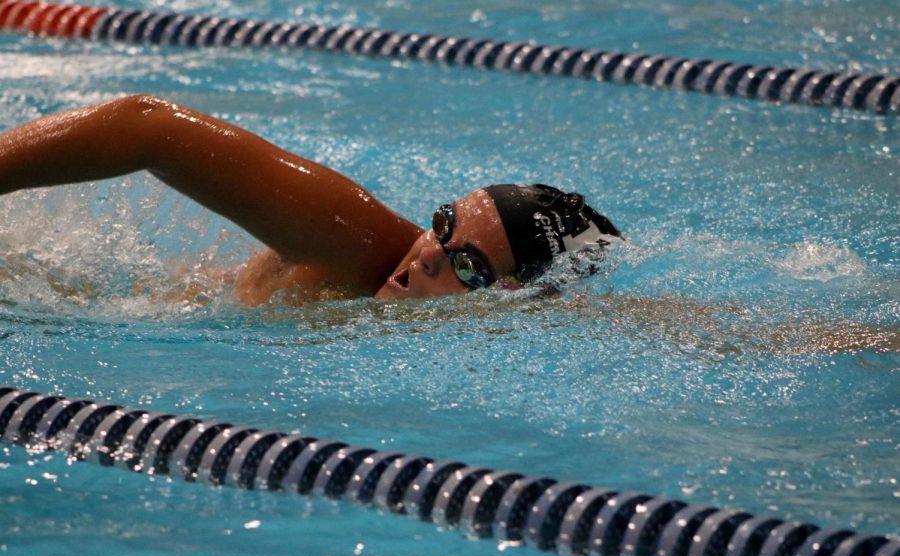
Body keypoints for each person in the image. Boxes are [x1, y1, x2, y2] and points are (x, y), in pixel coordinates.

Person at [0, 95, 620, 306]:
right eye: (443, 224)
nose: (427, 255)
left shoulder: (523, 315)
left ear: (512, 297)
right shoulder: (353, 241)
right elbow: (148, 127)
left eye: (469, 267)